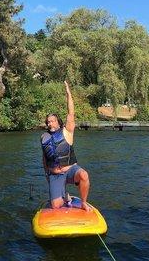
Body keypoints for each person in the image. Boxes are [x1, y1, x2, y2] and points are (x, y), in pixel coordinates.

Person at [41, 81, 91, 211]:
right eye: (48, 122)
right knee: (56, 206)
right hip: (55, 174)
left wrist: (68, 94)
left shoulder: (67, 131)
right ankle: (64, 196)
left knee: (84, 175)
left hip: (70, 171)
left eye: (52, 121)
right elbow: (45, 159)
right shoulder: (44, 137)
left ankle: (84, 203)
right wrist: (47, 174)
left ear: (58, 122)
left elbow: (71, 113)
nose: (49, 124)